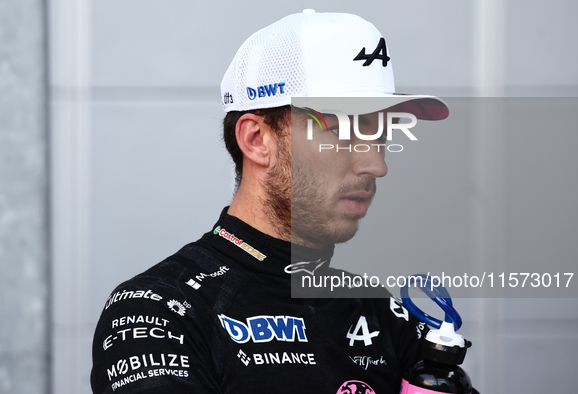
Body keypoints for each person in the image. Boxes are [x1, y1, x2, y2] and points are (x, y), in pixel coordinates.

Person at [91, 10, 454, 394]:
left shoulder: (379, 309)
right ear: (257, 140)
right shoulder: (158, 310)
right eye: (344, 130)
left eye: (380, 132)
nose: (376, 164)